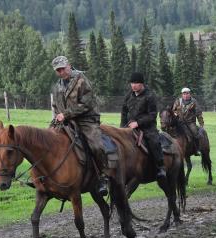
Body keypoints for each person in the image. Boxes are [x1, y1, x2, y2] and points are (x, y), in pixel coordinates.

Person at [51, 55, 109, 196]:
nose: (61, 72)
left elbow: (86, 104)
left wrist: (66, 114)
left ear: (69, 66)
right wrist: (58, 116)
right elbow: (55, 105)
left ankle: (102, 177)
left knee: (96, 146)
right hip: (65, 121)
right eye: (58, 70)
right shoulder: (57, 86)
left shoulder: (81, 80)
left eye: (63, 69)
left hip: (86, 120)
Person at [120, 72, 166, 179]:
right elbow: (124, 111)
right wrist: (122, 127)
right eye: (132, 83)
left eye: (136, 83)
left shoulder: (150, 95)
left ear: (142, 83)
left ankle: (160, 167)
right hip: (129, 126)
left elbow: (152, 115)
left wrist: (138, 123)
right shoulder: (129, 95)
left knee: (154, 141)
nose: (133, 85)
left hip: (147, 128)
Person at [172, 87, 204, 154]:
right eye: (184, 94)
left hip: (190, 122)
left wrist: (201, 124)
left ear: (190, 94)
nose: (185, 95)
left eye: (187, 93)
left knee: (195, 133)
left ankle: (197, 149)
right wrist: (175, 113)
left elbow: (198, 113)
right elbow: (173, 110)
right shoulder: (178, 101)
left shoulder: (194, 102)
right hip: (180, 122)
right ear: (182, 95)